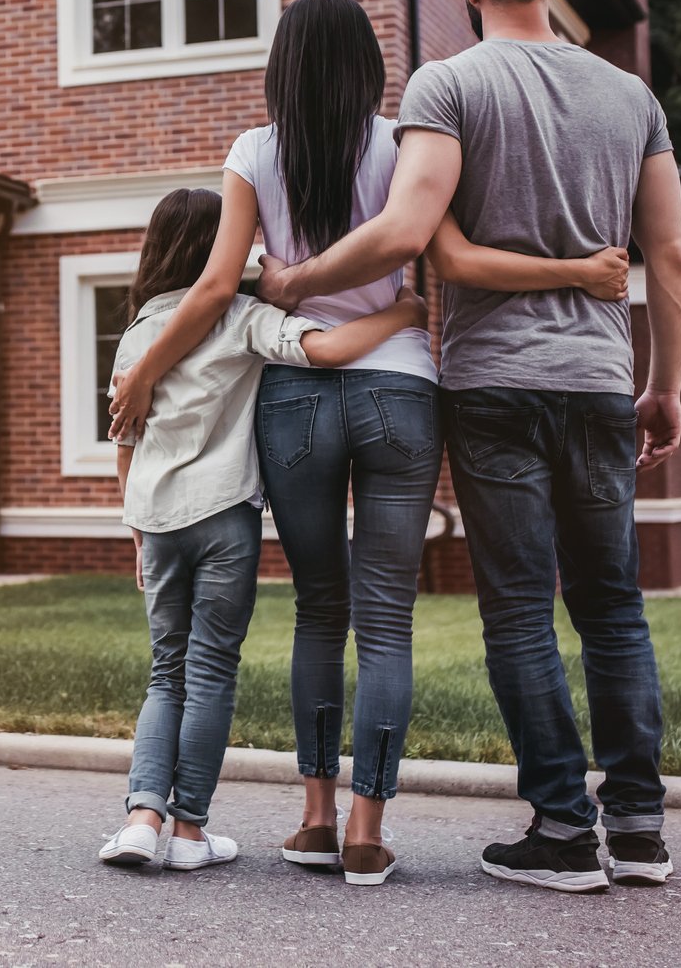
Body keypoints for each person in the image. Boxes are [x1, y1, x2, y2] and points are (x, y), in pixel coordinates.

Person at [107, 0, 631, 888]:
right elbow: (442, 252)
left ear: (280, 66)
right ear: (369, 67)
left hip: (296, 399)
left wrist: (148, 367)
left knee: (319, 608)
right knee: (386, 618)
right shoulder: (405, 143)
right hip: (398, 389)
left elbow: (214, 289)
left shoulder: (252, 152)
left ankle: (313, 819)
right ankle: (364, 830)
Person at [249, 0, 681, 894]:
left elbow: (410, 233)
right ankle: (638, 829)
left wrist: (295, 281)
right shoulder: (631, 97)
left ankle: (562, 830)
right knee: (613, 608)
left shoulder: (448, 83)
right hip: (597, 382)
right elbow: (667, 256)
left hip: (493, 383)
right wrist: (662, 383)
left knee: (521, 613)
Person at [96, 186, 427, 873]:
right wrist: (402, 312)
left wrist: (137, 534)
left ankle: (139, 819)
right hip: (224, 519)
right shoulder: (243, 318)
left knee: (166, 672)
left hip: (156, 522)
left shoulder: (136, 334)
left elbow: (124, 442)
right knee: (210, 671)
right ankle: (189, 832)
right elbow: (327, 350)